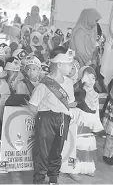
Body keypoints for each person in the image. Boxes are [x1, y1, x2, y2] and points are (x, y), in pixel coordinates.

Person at [27, 46, 76, 184]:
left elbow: (69, 103)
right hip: (46, 119)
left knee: (57, 150)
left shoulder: (69, 83)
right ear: (59, 64)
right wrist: (43, 120)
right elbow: (32, 106)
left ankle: (53, 178)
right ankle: (39, 180)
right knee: (42, 152)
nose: (71, 67)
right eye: (69, 63)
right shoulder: (44, 84)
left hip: (62, 119)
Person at [68, 66, 104, 179]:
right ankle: (71, 168)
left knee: (88, 145)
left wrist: (97, 125)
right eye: (87, 77)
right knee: (75, 146)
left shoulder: (95, 93)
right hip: (79, 122)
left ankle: (87, 168)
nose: (90, 81)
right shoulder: (77, 91)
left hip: (90, 122)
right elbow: (71, 106)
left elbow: (96, 110)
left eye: (92, 78)